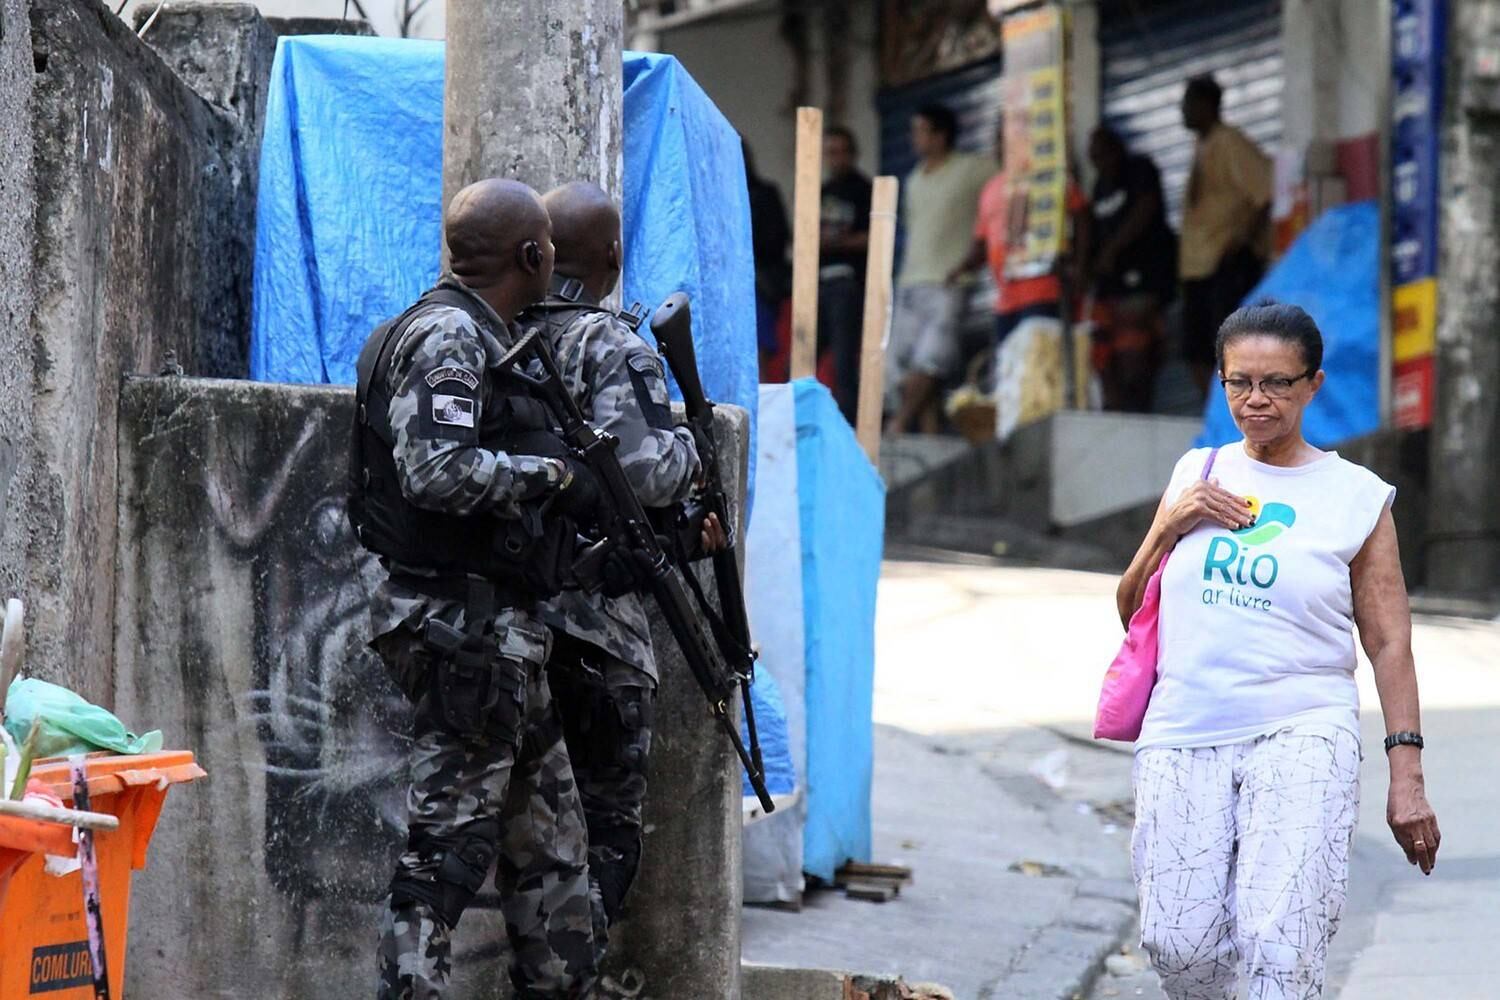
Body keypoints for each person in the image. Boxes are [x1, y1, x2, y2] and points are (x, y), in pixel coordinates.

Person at [1116, 300, 1440, 1000]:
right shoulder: (1196, 472)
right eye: (1240, 383)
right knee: (1177, 943)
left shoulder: (1355, 497)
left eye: (1278, 383)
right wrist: (1169, 525)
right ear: (1222, 381)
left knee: (1279, 939)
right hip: (1185, 729)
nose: (1256, 400)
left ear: (1313, 385)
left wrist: (1405, 774)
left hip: (1304, 730)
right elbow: (1130, 608)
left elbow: (1388, 639)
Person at [352, 177, 601, 999]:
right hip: (464, 635)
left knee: (555, 848)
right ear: (532, 256)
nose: (557, 261)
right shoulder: (450, 337)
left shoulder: (464, 330)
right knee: (445, 858)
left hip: (500, 638)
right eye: (550, 250)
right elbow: (436, 471)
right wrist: (551, 473)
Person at [516, 182, 723, 975]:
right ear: (611, 257)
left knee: (525, 837)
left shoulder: (498, 331)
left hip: (511, 620)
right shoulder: (611, 346)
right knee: (605, 828)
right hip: (599, 631)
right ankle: (569, 980)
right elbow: (643, 465)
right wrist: (693, 450)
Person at [886, 103, 992, 435]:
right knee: (904, 364)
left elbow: (1011, 180)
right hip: (910, 283)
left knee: (932, 360)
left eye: (920, 130)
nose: (913, 138)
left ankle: (898, 425)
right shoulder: (915, 179)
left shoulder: (973, 169)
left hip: (949, 282)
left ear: (941, 135)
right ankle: (928, 434)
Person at [949, 120, 1088, 354]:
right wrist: (961, 269)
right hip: (1005, 299)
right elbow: (981, 244)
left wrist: (1082, 267)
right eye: (1000, 140)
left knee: (1040, 366)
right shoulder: (991, 189)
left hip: (1044, 292)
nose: (1003, 147)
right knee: (1012, 373)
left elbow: (1082, 216)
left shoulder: (1048, 178)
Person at [1178, 74, 1273, 397]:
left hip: (1223, 263)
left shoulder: (1230, 142)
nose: (1183, 110)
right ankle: (1215, 413)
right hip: (1197, 265)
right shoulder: (1201, 145)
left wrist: (1243, 241)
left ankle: (1231, 412)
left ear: (1207, 105)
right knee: (1196, 350)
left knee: (1228, 348)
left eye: (1189, 102)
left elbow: (1266, 192)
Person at [1084, 126, 1176, 412]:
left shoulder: (1139, 170)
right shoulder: (1100, 186)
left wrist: (1112, 249)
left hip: (1143, 281)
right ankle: (1122, 416)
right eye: (1094, 157)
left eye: (1102, 153)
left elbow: (1145, 209)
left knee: (1136, 357)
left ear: (1117, 149)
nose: (1099, 161)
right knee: (1106, 359)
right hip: (1112, 289)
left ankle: (1138, 415)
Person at [818, 125, 873, 423]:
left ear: (853, 155)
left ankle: (849, 426)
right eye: (830, 153)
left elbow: (873, 237)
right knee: (797, 361)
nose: (835, 159)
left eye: (840, 152)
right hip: (818, 283)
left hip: (847, 284)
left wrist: (836, 242)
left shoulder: (863, 190)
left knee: (844, 362)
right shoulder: (822, 192)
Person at [744, 140, 792, 378]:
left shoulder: (762, 194)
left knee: (759, 344)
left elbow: (778, 238)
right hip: (750, 283)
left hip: (760, 283)